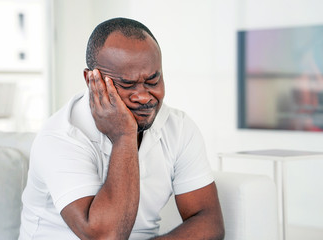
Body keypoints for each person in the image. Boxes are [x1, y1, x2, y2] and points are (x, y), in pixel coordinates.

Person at [19, 17, 224, 240]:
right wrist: (124, 136)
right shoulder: (61, 136)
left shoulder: (179, 127)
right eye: (126, 85)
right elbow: (106, 237)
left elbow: (209, 223)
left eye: (153, 81)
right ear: (91, 80)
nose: (144, 96)